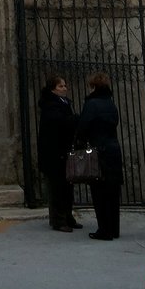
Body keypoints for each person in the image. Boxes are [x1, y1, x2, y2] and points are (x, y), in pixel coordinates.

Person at [75, 70, 122, 241]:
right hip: (113, 149)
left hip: (99, 151)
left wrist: (80, 141)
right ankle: (114, 228)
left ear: (93, 86)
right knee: (113, 192)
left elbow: (83, 126)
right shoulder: (111, 104)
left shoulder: (92, 104)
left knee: (100, 192)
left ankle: (104, 230)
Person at [37, 74, 81, 232]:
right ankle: (58, 220)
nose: (64, 88)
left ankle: (68, 216)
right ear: (53, 89)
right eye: (61, 86)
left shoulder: (65, 103)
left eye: (65, 85)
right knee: (56, 188)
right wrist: (74, 119)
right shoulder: (50, 105)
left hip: (65, 150)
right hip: (54, 153)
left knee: (67, 186)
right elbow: (58, 124)